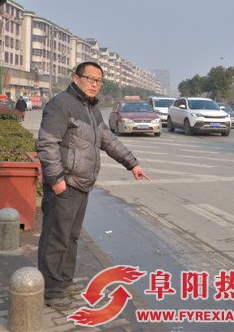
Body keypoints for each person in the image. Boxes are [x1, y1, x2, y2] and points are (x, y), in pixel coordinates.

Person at [36, 61, 150, 311]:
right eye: (90, 79)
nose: (95, 85)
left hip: (82, 184)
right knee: (56, 238)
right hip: (64, 183)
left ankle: (64, 281)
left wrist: (132, 164)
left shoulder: (92, 110)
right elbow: (47, 143)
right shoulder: (61, 104)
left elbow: (109, 141)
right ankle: (51, 290)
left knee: (71, 237)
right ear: (76, 78)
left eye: (99, 81)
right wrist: (56, 180)